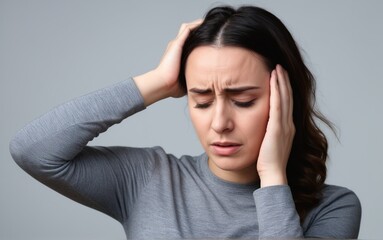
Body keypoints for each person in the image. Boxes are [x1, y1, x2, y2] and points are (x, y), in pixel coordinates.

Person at [9, 5, 361, 239]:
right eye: (202, 100)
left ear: (286, 98)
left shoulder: (333, 208)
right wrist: (157, 82)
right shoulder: (148, 178)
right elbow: (32, 151)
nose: (220, 123)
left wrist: (272, 177)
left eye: (243, 101)